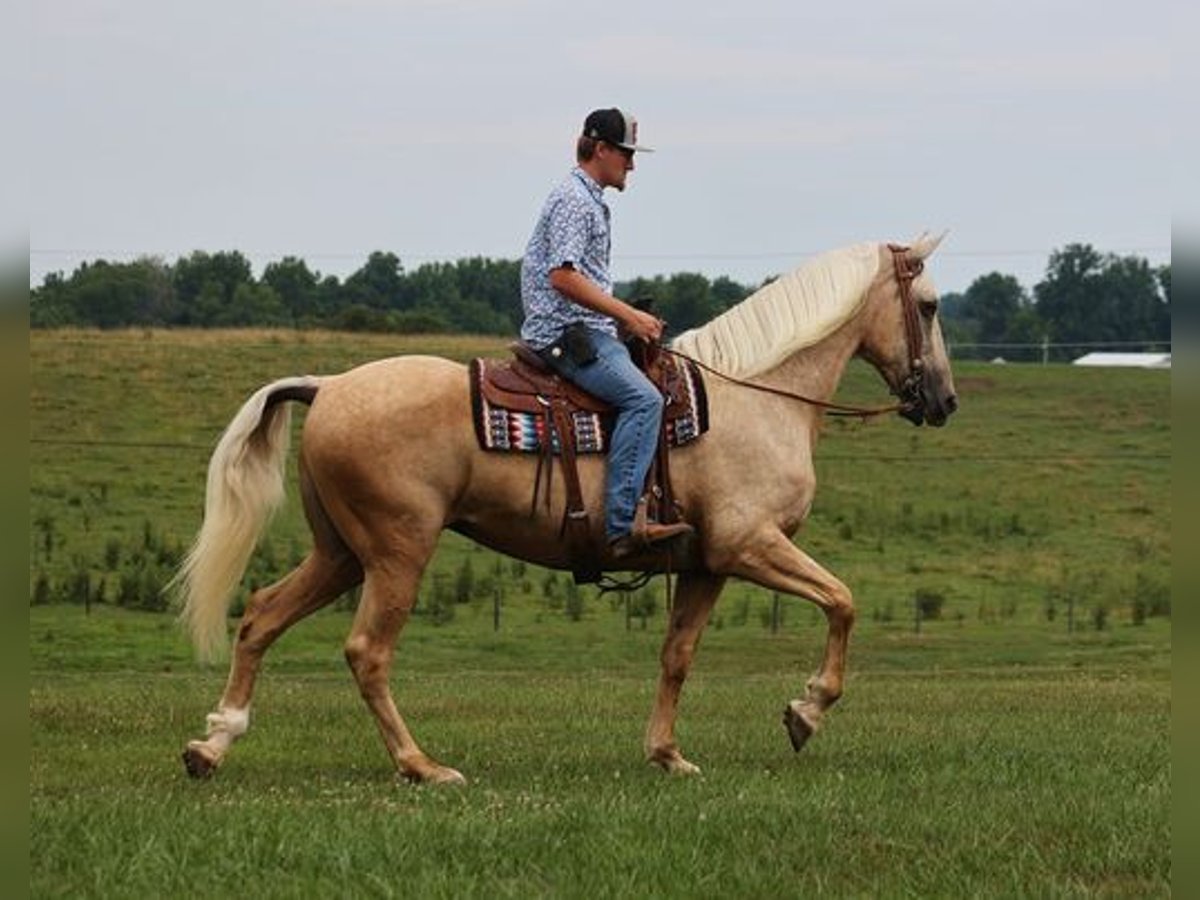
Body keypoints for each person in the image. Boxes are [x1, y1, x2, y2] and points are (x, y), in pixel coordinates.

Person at [520, 108, 694, 559]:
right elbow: (563, 277)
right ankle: (621, 528)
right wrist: (627, 317)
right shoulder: (575, 202)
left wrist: (623, 318)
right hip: (567, 333)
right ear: (601, 149)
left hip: (586, 327)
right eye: (626, 154)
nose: (631, 165)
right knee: (645, 399)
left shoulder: (587, 198)